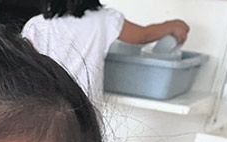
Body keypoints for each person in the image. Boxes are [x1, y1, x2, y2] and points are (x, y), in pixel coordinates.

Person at [22, 0, 189, 103]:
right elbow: (142, 36)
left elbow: (27, 70)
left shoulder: (36, 26)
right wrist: (171, 26)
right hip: (88, 112)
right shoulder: (105, 19)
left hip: (49, 107)